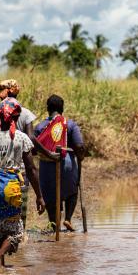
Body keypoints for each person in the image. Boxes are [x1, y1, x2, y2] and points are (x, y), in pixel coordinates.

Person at [0, 97, 45, 268]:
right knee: (14, 229)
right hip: (11, 188)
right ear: (15, 118)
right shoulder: (21, 137)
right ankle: (0, 253)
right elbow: (31, 168)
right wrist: (39, 196)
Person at [34, 94, 84, 231]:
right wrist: (81, 156)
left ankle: (54, 224)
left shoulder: (40, 127)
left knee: (50, 196)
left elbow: (33, 148)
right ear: (62, 108)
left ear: (48, 109)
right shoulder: (70, 124)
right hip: (67, 168)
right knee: (72, 192)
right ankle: (67, 219)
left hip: (47, 169)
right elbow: (79, 146)